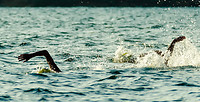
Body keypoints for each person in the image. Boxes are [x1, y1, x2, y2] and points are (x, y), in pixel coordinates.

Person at [18, 36, 186, 72]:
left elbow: (46, 53)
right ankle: (170, 47)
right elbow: (46, 53)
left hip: (104, 71)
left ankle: (170, 48)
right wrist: (31, 55)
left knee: (140, 62)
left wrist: (31, 56)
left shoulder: (58, 73)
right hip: (102, 71)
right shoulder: (58, 73)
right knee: (150, 62)